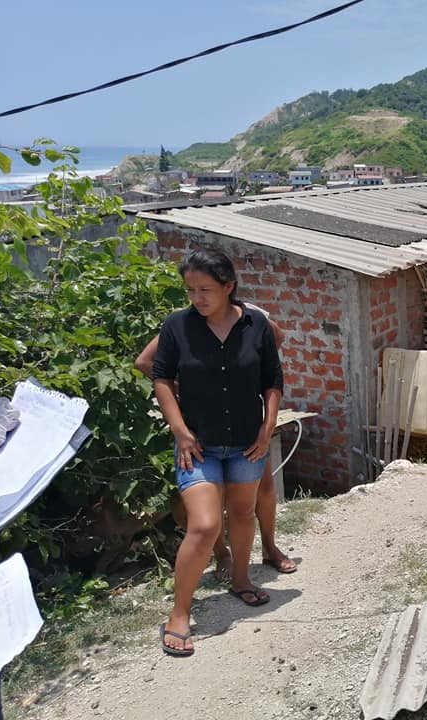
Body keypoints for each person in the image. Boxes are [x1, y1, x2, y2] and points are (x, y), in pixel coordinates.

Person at [152, 248, 283, 656]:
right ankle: (179, 613)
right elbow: (160, 378)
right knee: (205, 525)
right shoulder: (177, 326)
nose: (197, 298)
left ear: (229, 287)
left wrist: (268, 427)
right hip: (198, 446)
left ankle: (241, 579)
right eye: (190, 290)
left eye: (205, 289)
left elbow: (273, 380)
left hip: (248, 443)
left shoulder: (256, 325)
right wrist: (180, 432)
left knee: (243, 513)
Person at [136, 312, 298, 578]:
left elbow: (277, 337)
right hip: (202, 426)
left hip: (244, 425)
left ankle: (269, 548)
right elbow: (144, 362)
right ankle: (223, 554)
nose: (200, 296)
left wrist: (249, 369)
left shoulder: (249, 316)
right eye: (194, 291)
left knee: (265, 489)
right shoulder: (185, 322)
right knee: (212, 499)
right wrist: (186, 384)